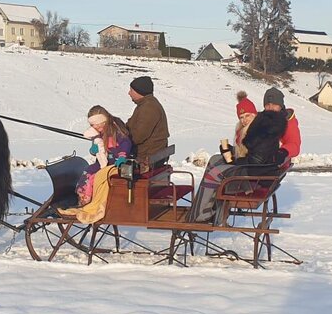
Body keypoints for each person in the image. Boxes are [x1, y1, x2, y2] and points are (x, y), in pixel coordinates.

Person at [188, 86, 301, 224]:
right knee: (215, 160)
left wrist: (282, 152)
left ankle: (201, 214)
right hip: (259, 163)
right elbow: (250, 150)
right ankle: (203, 207)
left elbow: (293, 145)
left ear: (281, 105)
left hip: (263, 169)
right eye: (267, 105)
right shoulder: (266, 120)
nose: (270, 107)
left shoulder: (283, 122)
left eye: (274, 105)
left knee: (217, 172)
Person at [74, 105, 132, 205]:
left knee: (95, 176)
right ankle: (84, 196)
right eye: (93, 125)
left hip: (116, 163)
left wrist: (122, 156)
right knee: (88, 171)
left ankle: (91, 198)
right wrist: (93, 150)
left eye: (98, 125)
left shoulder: (115, 130)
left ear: (104, 121)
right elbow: (97, 150)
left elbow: (125, 143)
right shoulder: (97, 132)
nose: (96, 127)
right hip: (103, 162)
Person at [126, 76, 170, 169]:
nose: (129, 93)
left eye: (131, 90)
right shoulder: (145, 105)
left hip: (146, 156)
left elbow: (138, 136)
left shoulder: (149, 108)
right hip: (149, 154)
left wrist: (121, 140)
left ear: (140, 91)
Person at [234, 90, 258, 157]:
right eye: (241, 117)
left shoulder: (260, 131)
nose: (244, 120)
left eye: (247, 115)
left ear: (254, 115)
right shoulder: (240, 132)